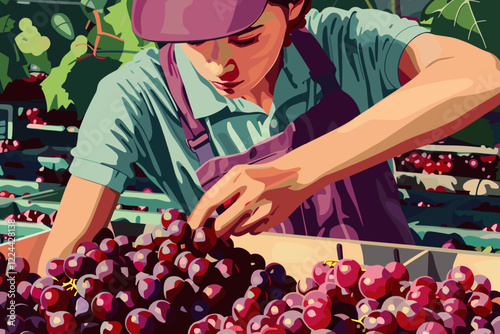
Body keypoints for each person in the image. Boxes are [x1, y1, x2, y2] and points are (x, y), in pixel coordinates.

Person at [37, 0, 500, 274]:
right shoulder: (131, 96)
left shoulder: (345, 40)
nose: (219, 67)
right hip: (258, 309)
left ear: (293, 5)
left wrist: (300, 171)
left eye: (245, 38)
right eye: (195, 43)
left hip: (391, 294)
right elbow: (64, 247)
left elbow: (480, 76)